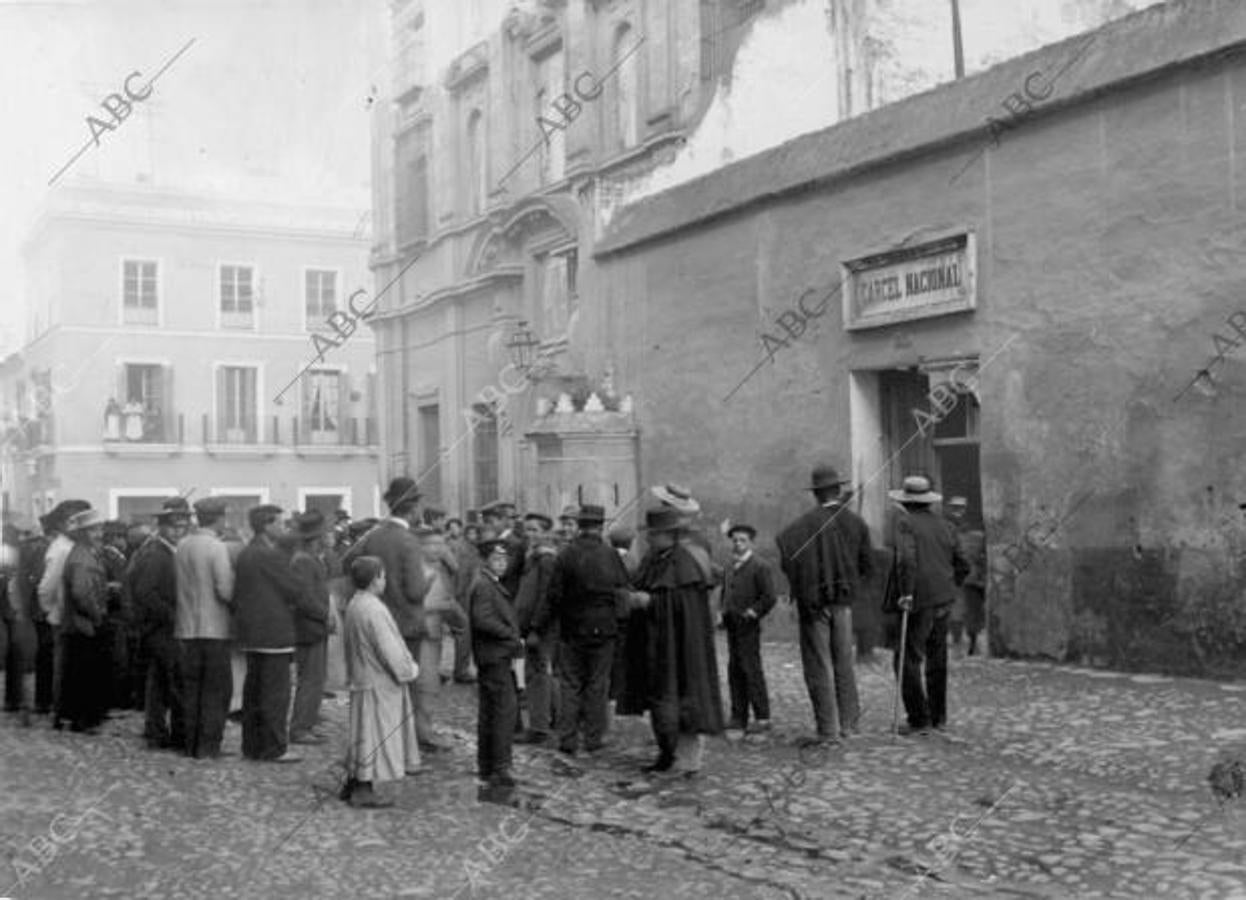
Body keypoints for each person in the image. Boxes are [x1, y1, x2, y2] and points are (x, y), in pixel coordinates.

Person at [619, 507, 724, 775]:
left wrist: (651, 601)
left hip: (681, 647)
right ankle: (667, 753)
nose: (649, 539)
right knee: (660, 698)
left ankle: (686, 760)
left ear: (669, 535)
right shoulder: (654, 558)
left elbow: (684, 604)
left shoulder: (684, 562)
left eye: (654, 535)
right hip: (657, 644)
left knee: (685, 697)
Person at [776, 464, 874, 745]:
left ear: (816, 494)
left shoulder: (803, 525)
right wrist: (850, 586)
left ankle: (828, 729)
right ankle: (849, 725)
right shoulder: (856, 523)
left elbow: (786, 555)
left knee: (819, 664)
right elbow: (868, 566)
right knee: (844, 662)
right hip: (843, 604)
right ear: (839, 491)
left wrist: (803, 585)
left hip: (814, 606)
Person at [343, 478, 442, 752]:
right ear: (412, 508)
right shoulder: (408, 540)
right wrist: (429, 578)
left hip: (375, 618)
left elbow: (348, 565)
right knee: (406, 686)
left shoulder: (373, 535)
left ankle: (382, 742)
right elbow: (415, 591)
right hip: (406, 623)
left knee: (381, 686)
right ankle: (403, 747)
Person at [889, 476, 969, 735]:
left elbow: (907, 561)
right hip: (943, 599)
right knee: (938, 657)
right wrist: (949, 585)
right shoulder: (946, 526)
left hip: (919, 600)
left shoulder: (905, 523)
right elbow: (963, 563)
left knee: (906, 658)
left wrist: (906, 593)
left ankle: (919, 719)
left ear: (906, 502)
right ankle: (938, 716)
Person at [341, 556, 421, 808]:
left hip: (364, 678)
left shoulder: (357, 603)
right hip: (378, 683)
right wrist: (408, 670)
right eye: (383, 575)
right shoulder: (373, 608)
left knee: (363, 734)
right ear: (376, 578)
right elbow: (389, 648)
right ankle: (363, 788)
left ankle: (354, 782)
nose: (385, 580)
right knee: (374, 736)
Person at [234, 504, 308, 762]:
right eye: (280, 522)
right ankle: (274, 748)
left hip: (252, 633)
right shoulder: (270, 555)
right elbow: (295, 589)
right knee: (275, 695)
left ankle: (252, 746)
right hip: (273, 633)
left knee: (254, 692)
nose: (284, 527)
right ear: (266, 525)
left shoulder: (247, 553)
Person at [176, 498, 236, 759]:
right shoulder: (216, 547)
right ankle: (209, 745)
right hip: (214, 628)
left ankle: (190, 743)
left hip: (186, 628)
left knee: (191, 690)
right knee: (216, 690)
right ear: (219, 518)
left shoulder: (182, 545)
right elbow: (225, 589)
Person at [130, 499, 191, 749]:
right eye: (174, 527)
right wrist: (171, 614)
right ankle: (176, 734)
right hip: (161, 629)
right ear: (163, 527)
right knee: (173, 683)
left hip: (160, 628)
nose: (179, 531)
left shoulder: (166, 552)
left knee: (159, 684)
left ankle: (156, 731)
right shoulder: (157, 555)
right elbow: (145, 593)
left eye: (183, 526)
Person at [468, 537, 524, 788]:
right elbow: (482, 619)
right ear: (485, 561)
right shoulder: (484, 585)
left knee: (493, 711)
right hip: (495, 655)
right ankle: (500, 766)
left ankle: (489, 764)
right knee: (503, 712)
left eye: (504, 559)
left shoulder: (489, 583)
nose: (502, 563)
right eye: (496, 559)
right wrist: (509, 634)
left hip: (493, 655)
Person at [38, 499, 91, 727]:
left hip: (73, 615)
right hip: (64, 616)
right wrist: (51, 610)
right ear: (62, 524)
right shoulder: (60, 549)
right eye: (73, 521)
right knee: (63, 666)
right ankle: (61, 713)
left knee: (73, 666)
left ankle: (70, 710)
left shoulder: (73, 547)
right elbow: (46, 587)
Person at [59, 509, 112, 733]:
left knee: (82, 671)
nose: (99, 533)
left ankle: (80, 716)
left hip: (82, 623)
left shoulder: (85, 553)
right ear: (82, 533)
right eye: (93, 530)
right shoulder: (82, 557)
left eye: (100, 529)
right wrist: (97, 614)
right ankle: (84, 719)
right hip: (84, 625)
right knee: (84, 673)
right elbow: (81, 593)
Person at [721, 524, 777, 736]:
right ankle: (738, 716)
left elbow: (769, 597)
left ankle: (762, 717)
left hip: (749, 625)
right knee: (734, 669)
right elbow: (726, 592)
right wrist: (722, 611)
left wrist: (755, 611)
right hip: (732, 623)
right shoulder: (729, 566)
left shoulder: (760, 566)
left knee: (751, 669)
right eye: (735, 540)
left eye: (742, 540)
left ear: (751, 542)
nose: (738, 544)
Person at [289, 510, 335, 745]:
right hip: (309, 628)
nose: (331, 537)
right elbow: (304, 599)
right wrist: (326, 615)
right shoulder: (303, 561)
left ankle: (308, 722)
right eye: (327, 533)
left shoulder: (311, 558)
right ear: (317, 537)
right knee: (310, 679)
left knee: (316, 679)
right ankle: (300, 728)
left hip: (314, 627)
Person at [514, 513, 559, 745]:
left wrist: (535, 628)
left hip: (541, 627)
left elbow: (546, 597)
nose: (530, 534)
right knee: (538, 672)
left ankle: (540, 727)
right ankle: (553, 719)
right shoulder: (531, 557)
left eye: (535, 530)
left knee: (538, 674)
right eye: (527, 530)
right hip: (531, 625)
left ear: (545, 533)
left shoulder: (546, 560)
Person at [943, 497, 970, 651]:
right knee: (954, 605)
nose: (958, 511)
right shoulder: (949, 526)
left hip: (954, 570)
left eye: (961, 508)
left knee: (957, 605)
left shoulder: (962, 526)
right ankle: (955, 635)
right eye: (955, 507)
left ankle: (957, 635)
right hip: (951, 569)